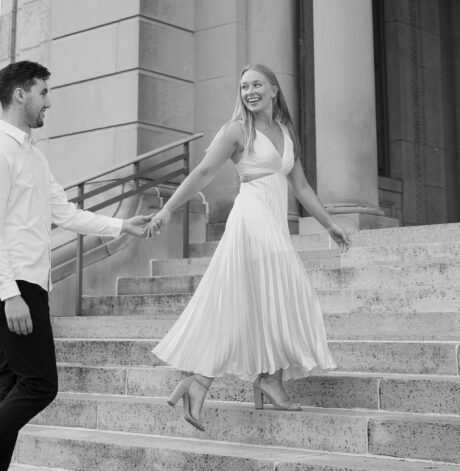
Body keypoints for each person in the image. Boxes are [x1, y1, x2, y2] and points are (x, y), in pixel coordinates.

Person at [0, 60, 149, 471]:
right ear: (19, 96)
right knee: (39, 385)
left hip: (29, 285)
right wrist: (11, 296)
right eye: (43, 93)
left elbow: (63, 212)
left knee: (13, 391)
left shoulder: (32, 154)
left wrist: (120, 224)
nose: (49, 102)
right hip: (7, 286)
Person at [145, 63, 349, 431]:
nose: (249, 91)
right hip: (252, 219)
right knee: (285, 292)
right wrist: (167, 210)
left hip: (274, 223)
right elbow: (202, 173)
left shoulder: (285, 132)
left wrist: (330, 224)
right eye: (243, 87)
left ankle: (207, 381)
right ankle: (261, 377)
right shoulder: (237, 130)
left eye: (256, 84)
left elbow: (301, 187)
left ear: (274, 89)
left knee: (255, 301)